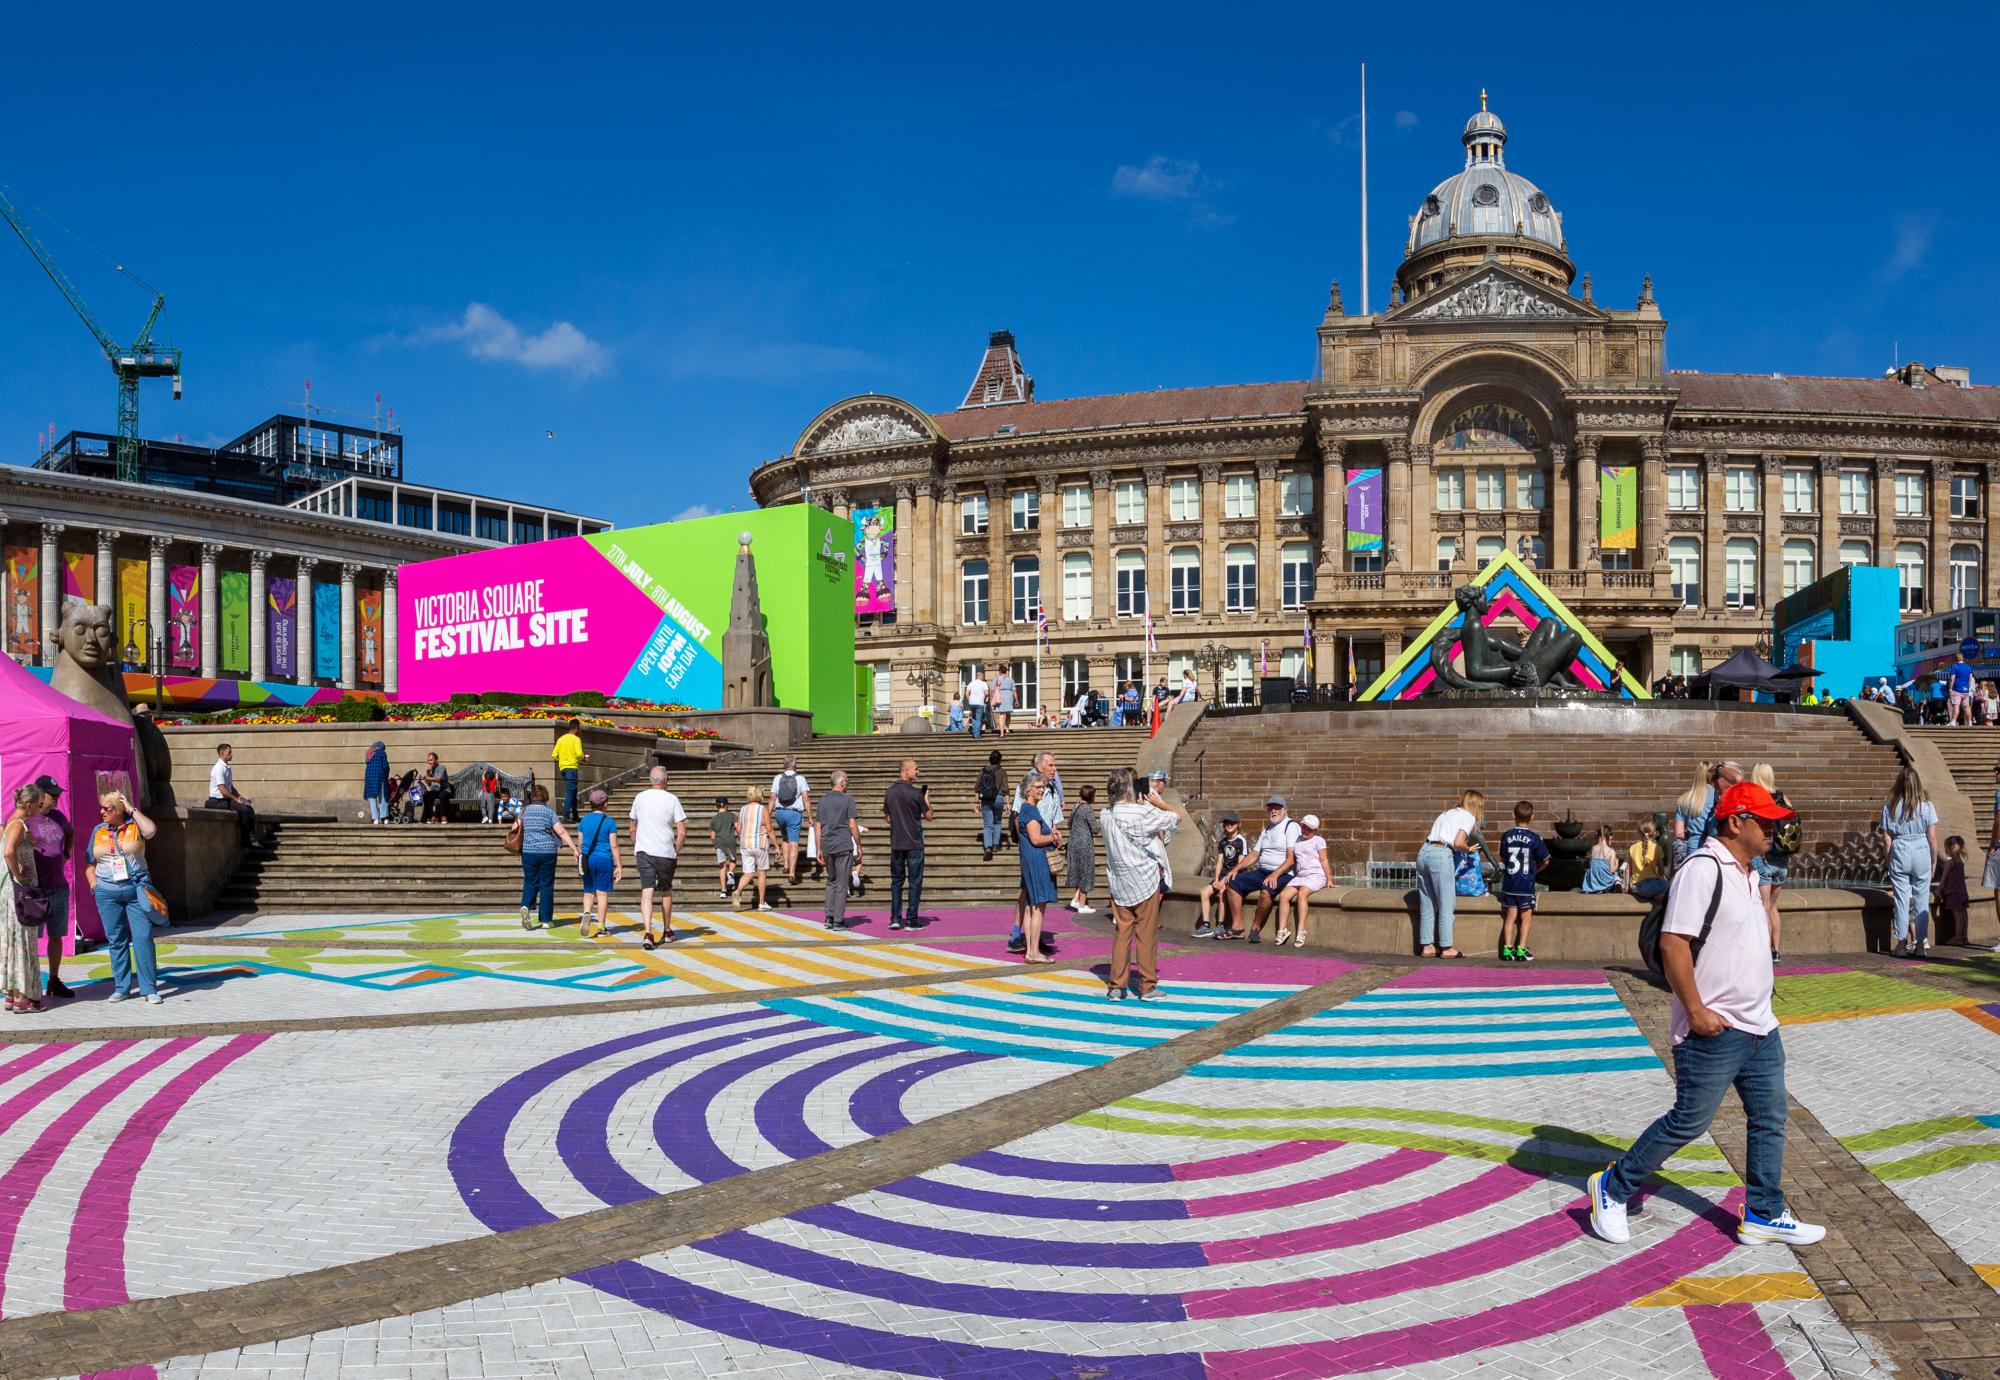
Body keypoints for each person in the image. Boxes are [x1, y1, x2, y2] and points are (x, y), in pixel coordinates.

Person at [1589, 782, 1825, 1250]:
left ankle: (1764, 1211)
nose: (1775, 827)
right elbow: (1673, 944)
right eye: (1766, 820)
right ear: (1736, 821)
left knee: (1769, 1118)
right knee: (1689, 1121)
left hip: (1759, 1026)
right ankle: (1613, 1187)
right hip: (1715, 1027)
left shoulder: (1749, 872)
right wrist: (1695, 1011)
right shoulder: (1703, 868)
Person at [1100, 768, 1178, 996]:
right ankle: (1147, 986)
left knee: (1122, 933)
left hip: (1119, 881)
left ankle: (1116, 986)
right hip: (1144, 879)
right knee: (1146, 935)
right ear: (1130, 788)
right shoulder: (1140, 814)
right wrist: (1157, 803)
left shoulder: (1105, 814)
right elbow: (1174, 818)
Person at [89, 790, 162, 1004]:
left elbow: (151, 831)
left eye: (107, 808)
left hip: (135, 890)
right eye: (101, 807)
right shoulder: (98, 830)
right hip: (107, 893)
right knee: (116, 940)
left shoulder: (134, 825)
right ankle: (122, 987)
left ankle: (149, 989)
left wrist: (132, 809)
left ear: (119, 810)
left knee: (143, 937)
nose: (102, 812)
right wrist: (94, 885)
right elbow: (89, 862)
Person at [1006, 752, 1065, 953]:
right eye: (1050, 765)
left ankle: (1034, 938)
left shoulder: (1054, 790)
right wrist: (1024, 842)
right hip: (1033, 845)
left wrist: (1055, 836)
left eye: (1054, 765)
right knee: (1029, 893)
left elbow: (1055, 819)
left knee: (1037, 898)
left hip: (1046, 845)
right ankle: (1016, 933)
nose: (1054, 769)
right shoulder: (1028, 786)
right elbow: (1017, 815)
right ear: (1039, 766)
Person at [1223, 796, 1301, 943]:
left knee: (1266, 890)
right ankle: (1237, 927)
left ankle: (1255, 928)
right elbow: (1254, 854)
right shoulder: (1267, 829)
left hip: (1284, 873)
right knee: (1233, 882)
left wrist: (1275, 874)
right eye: (1270, 808)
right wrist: (1236, 869)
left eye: (1277, 808)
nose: (1273, 811)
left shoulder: (1290, 826)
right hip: (1262, 871)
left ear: (1284, 810)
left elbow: (1291, 859)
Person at [1880, 765, 1938, 957]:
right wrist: (1934, 860)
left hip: (1901, 849)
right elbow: (1932, 837)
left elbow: (1887, 839)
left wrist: (1890, 861)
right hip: (1921, 849)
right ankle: (1921, 944)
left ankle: (1901, 943)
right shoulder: (1927, 806)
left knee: (1901, 900)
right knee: (1922, 901)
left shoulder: (1889, 807)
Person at [1415, 790, 1482, 958]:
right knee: (1446, 902)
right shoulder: (1468, 817)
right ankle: (1446, 947)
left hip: (1424, 852)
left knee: (1427, 902)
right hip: (1441, 854)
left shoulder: (1446, 813)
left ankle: (1427, 945)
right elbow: (1458, 842)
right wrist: (1468, 848)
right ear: (1476, 805)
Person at [24, 775, 74, 999]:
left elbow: (70, 832)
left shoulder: (59, 817)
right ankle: (30, 983)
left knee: (56, 936)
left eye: (57, 795)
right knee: (31, 939)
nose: (55, 799)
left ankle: (54, 980)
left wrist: (65, 853)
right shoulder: (26, 819)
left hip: (58, 887)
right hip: (35, 890)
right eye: (51, 795)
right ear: (38, 794)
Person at [628, 766, 687, 947]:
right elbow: (682, 832)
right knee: (666, 891)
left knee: (647, 891)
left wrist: (637, 844)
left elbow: (632, 827)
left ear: (650, 780)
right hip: (665, 852)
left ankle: (648, 933)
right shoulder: (672, 799)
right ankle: (667, 930)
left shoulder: (639, 797)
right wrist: (676, 849)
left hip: (644, 851)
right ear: (666, 781)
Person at [3, 785, 48, 1013]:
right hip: (19, 893)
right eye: (39, 805)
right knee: (23, 941)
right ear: (29, 805)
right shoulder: (17, 825)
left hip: (13, 893)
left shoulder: (13, 823)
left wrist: (27, 844)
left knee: (14, 941)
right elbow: (9, 851)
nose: (41, 809)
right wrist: (20, 874)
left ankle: (13, 994)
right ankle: (23, 997)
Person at [516, 783, 578, 930]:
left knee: (530, 881)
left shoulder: (524, 811)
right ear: (545, 797)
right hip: (547, 852)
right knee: (546, 885)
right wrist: (574, 848)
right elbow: (561, 832)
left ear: (532, 796)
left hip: (528, 851)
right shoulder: (549, 813)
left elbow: (515, 828)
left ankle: (526, 905)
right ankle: (546, 920)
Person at [1497, 800, 1551, 963]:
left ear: (1513, 815)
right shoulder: (1535, 838)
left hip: (1510, 883)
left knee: (1510, 916)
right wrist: (1537, 870)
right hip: (1526, 884)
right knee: (1526, 917)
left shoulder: (1506, 835)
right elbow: (1546, 860)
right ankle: (1521, 949)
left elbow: (1502, 857)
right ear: (1532, 817)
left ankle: (1507, 950)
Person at [1749, 763, 1793, 961]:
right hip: (1783, 859)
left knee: (1764, 906)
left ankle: (1765, 952)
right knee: (1774, 906)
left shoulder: (1757, 797)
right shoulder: (1783, 797)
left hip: (1764, 858)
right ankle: (1776, 950)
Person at [882, 758, 931, 931]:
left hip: (896, 842)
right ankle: (911, 920)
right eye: (916, 769)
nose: (918, 772)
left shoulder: (889, 792)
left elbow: (888, 817)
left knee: (896, 881)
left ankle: (895, 918)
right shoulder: (916, 793)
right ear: (906, 770)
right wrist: (926, 798)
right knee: (915, 881)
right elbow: (929, 816)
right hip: (914, 842)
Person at [1016, 774, 1060, 963]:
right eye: (1038, 787)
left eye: (1043, 787)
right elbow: (1035, 839)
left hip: (1030, 859)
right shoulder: (1030, 810)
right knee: (1037, 907)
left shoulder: (1027, 809)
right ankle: (1033, 951)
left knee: (1029, 906)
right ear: (1028, 789)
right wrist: (1053, 838)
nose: (1042, 790)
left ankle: (1030, 950)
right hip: (1037, 860)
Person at [1673, 760, 1744, 867]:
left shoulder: (1683, 799)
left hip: (1692, 848)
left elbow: (1679, 833)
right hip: (1712, 847)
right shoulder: (1716, 794)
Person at [817, 769, 863, 930]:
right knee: (842, 884)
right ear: (842, 782)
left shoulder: (823, 800)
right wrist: (858, 844)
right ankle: (838, 920)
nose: (848, 784)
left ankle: (829, 917)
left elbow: (818, 826)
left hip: (828, 844)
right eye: (847, 781)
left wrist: (819, 848)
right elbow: (852, 824)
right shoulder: (848, 799)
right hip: (843, 844)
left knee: (831, 881)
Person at [575, 790, 622, 940]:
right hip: (604, 860)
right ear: (605, 804)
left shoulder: (584, 821)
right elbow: (614, 846)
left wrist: (579, 858)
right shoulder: (609, 822)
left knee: (589, 891)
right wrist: (619, 865)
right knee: (602, 894)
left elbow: (580, 844)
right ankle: (601, 927)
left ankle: (587, 912)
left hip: (588, 859)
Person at [1194, 813, 1247, 939]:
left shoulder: (1241, 841)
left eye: (1232, 823)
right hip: (1223, 875)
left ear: (1238, 825)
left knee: (1223, 891)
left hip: (1235, 875)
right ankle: (1206, 925)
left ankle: (1220, 924)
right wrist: (1217, 879)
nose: (1229, 825)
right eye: (1227, 823)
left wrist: (1224, 881)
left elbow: (1240, 865)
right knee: (1204, 892)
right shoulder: (1223, 842)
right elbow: (1219, 862)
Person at [1278, 814, 1328, 948]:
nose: (1305, 831)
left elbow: (1324, 860)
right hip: (1300, 876)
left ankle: (1301, 930)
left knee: (1302, 894)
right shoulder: (1297, 841)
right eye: (1304, 827)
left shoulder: (1319, 840)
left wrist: (1330, 880)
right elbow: (1290, 859)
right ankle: (1282, 930)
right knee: (1283, 896)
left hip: (1315, 875)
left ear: (1315, 830)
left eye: (1309, 829)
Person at [204, 743, 258, 846]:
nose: (231, 754)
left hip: (225, 799)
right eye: (229, 752)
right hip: (217, 801)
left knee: (249, 808)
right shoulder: (219, 768)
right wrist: (236, 800)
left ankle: (252, 838)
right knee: (244, 810)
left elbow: (231, 788)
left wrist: (241, 797)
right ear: (222, 753)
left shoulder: (227, 768)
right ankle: (246, 840)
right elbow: (222, 789)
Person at [770, 758, 811, 884]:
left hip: (780, 812)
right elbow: (806, 799)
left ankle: (786, 865)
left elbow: (772, 798)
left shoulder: (777, 778)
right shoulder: (800, 778)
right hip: (794, 813)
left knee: (785, 838)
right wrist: (810, 816)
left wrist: (767, 814)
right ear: (795, 766)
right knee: (794, 843)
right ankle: (792, 873)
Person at [734, 786, 772, 911]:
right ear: (759, 796)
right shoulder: (763, 809)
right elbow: (769, 828)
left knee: (748, 874)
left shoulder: (743, 809)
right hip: (760, 843)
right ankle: (761, 902)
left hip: (745, 844)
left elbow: (738, 829)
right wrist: (777, 846)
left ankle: (738, 891)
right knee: (762, 873)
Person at [1065, 785, 1100, 915]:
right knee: (1086, 871)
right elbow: (1095, 829)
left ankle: (1075, 899)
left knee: (1078, 870)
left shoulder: (1076, 806)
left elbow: (1069, 823)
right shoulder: (1087, 809)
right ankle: (1082, 904)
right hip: (1085, 843)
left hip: (1073, 842)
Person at [1934, 835, 1970, 948]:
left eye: (1946, 847)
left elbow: (1944, 878)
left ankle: (1957, 938)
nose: (1944, 850)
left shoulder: (1950, 862)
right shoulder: (1961, 860)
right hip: (1962, 891)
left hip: (1953, 892)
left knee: (1957, 916)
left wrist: (1939, 890)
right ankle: (1964, 937)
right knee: (1963, 914)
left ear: (1952, 847)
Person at [552, 719, 588, 822]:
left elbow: (554, 756)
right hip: (572, 768)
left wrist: (563, 759)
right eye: (579, 728)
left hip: (563, 768)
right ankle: (566, 815)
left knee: (573, 791)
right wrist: (583, 758)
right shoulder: (576, 739)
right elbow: (579, 754)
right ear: (576, 728)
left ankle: (575, 815)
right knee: (570, 792)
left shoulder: (561, 739)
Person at [975, 750, 1008, 862]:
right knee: (997, 822)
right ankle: (996, 845)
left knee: (987, 825)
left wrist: (976, 802)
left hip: (986, 798)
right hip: (998, 798)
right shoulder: (1002, 771)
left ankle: (988, 847)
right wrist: (1008, 803)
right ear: (1000, 760)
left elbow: (977, 788)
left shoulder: (983, 770)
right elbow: (1005, 789)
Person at [1628, 818, 1669, 900]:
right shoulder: (1657, 848)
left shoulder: (1632, 848)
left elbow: (1630, 870)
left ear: (1639, 833)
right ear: (1654, 833)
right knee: (1668, 885)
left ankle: (1657, 896)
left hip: (1638, 887)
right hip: (1651, 885)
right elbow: (1661, 872)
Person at [711, 795, 739, 899]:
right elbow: (737, 827)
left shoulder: (714, 819)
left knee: (722, 867)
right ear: (727, 805)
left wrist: (715, 844)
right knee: (733, 860)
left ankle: (723, 890)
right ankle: (731, 872)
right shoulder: (732, 815)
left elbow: (712, 836)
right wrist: (739, 835)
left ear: (716, 806)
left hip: (719, 843)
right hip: (731, 841)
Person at [1581, 826, 1623, 893]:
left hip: (1593, 881)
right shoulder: (1611, 851)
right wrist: (1617, 863)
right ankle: (1616, 886)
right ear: (1609, 837)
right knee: (1616, 875)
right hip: (1604, 881)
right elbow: (1612, 870)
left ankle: (1596, 888)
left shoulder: (1593, 849)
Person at [363, 741, 391, 825]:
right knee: (382, 797)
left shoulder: (369, 753)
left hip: (369, 778)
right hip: (380, 776)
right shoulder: (382, 753)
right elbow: (385, 766)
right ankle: (384, 818)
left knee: (372, 797)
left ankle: (375, 818)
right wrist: (386, 775)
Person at [420, 752, 452, 824]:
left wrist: (426, 777)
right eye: (428, 760)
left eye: (431, 760)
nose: (429, 762)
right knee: (426, 795)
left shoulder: (442, 768)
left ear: (436, 760)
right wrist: (428, 773)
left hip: (444, 790)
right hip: (435, 790)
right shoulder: (430, 770)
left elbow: (438, 779)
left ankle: (443, 816)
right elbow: (429, 784)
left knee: (442, 795)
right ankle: (432, 816)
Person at [1949, 649, 1978, 727]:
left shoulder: (1955, 667)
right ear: (1962, 658)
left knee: (1956, 705)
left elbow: (1952, 679)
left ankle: (1953, 721)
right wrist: (1967, 686)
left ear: (1956, 659)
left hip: (1957, 690)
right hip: (1966, 691)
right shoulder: (1968, 667)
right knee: (1966, 707)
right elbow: (1970, 678)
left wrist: (1950, 688)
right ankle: (1970, 722)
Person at [965, 666, 990, 739]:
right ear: (981, 676)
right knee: (978, 719)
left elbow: (966, 693)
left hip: (972, 703)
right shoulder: (983, 683)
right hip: (979, 703)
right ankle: (977, 735)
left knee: (974, 718)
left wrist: (969, 699)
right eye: (983, 677)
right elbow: (986, 693)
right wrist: (985, 698)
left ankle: (974, 733)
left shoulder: (971, 683)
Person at [991, 666, 1016, 737]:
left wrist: (992, 699)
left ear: (999, 671)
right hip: (1009, 696)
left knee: (1001, 715)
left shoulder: (996, 679)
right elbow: (1014, 691)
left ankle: (1002, 733)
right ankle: (1007, 729)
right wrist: (1016, 700)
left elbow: (992, 691)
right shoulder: (1010, 680)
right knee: (1008, 713)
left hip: (1000, 697)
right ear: (1006, 671)